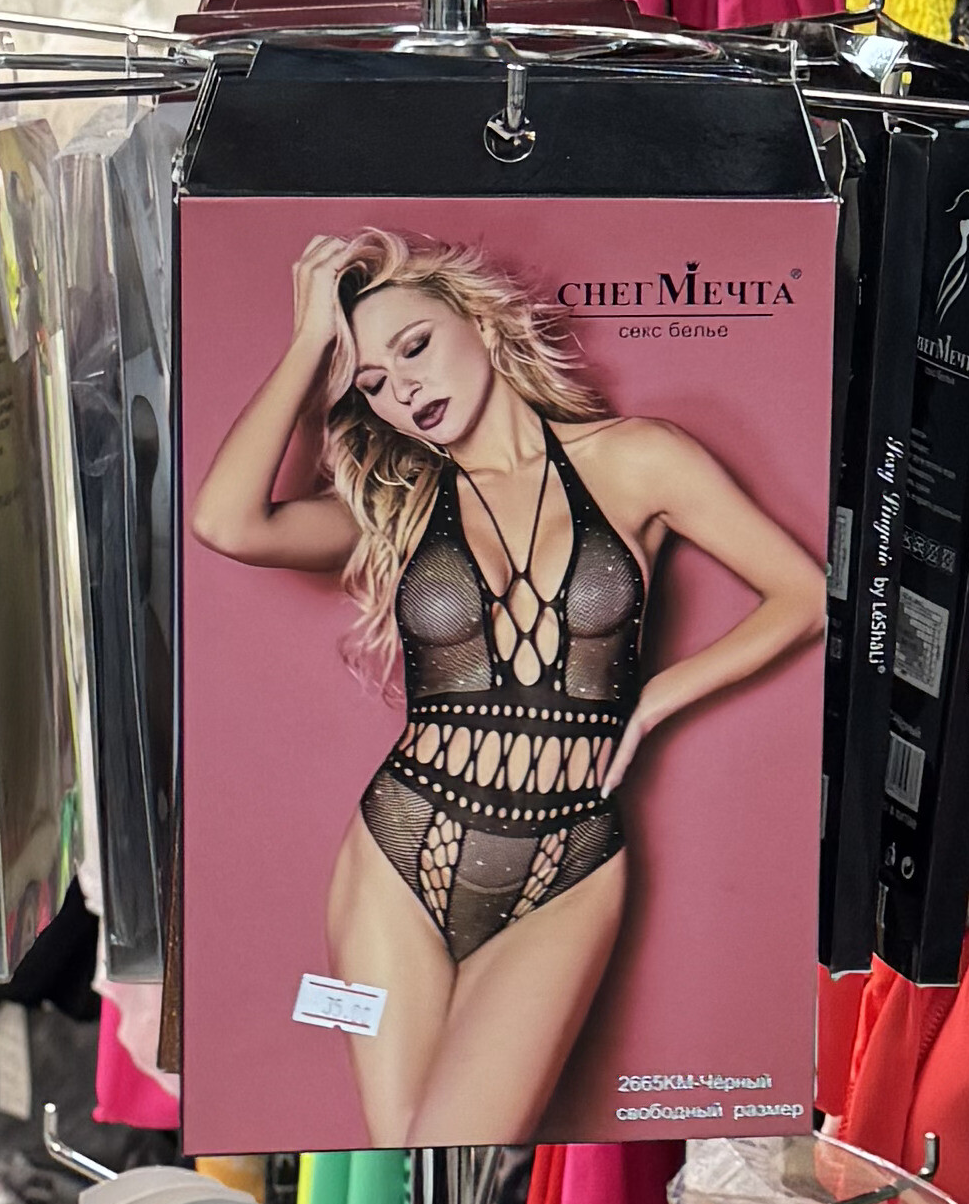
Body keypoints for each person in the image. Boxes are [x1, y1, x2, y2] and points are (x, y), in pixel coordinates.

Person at [194, 228, 825, 1145]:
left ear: (481, 325)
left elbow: (804, 595)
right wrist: (306, 344)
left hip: (568, 862)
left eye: (415, 346)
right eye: (374, 382)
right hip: (401, 845)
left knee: (456, 1142)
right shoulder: (401, 511)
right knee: (413, 1163)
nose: (404, 388)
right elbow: (226, 522)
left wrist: (658, 697)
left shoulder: (635, 460)